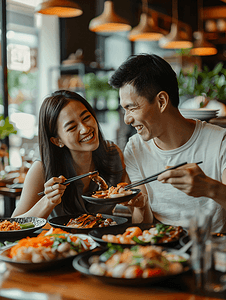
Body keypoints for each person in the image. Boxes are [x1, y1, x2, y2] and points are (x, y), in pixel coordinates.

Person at [109, 53, 226, 233]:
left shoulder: (220, 142)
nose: (127, 119)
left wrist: (209, 188)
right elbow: (142, 225)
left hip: (209, 249)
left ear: (161, 101)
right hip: (161, 249)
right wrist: (140, 206)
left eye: (131, 108)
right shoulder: (135, 148)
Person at [12, 90, 148, 221]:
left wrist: (140, 208)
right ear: (57, 140)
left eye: (86, 117)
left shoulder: (112, 155)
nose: (85, 129)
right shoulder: (42, 169)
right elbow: (13, 226)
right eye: (71, 127)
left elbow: (138, 220)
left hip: (103, 241)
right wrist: (48, 202)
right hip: (57, 242)